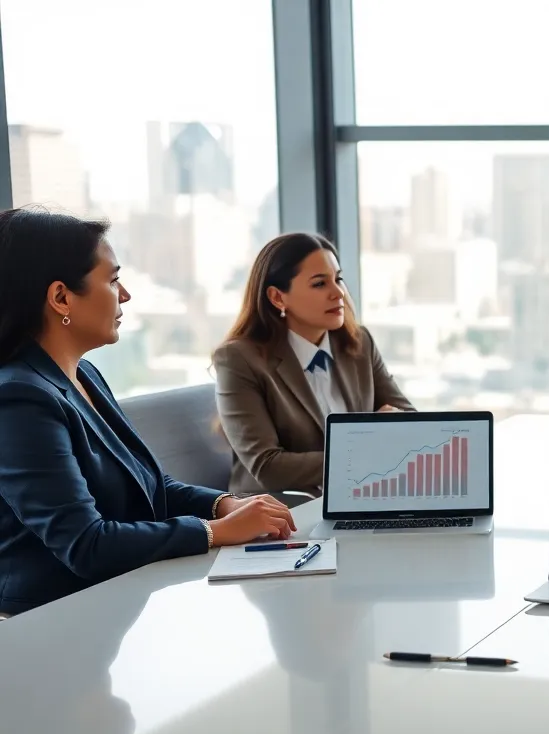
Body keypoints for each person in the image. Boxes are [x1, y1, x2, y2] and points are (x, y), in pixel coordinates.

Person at [0, 209, 296, 616]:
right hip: (53, 621)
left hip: (120, 599)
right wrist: (215, 532)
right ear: (61, 297)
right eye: (113, 279)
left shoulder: (83, 374)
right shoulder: (19, 399)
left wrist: (224, 504)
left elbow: (151, 485)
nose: (125, 295)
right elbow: (86, 545)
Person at [213, 233, 414, 497]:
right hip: (281, 512)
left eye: (338, 279)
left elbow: (410, 420)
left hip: (359, 497)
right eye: (320, 284)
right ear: (277, 297)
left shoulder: (359, 344)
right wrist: (367, 446)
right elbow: (268, 466)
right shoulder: (239, 360)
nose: (338, 293)